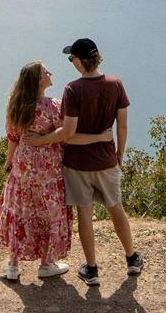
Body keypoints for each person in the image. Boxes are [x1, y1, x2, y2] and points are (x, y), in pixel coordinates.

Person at [0, 61, 110, 282]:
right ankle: (46, 264)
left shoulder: (15, 105)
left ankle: (13, 266)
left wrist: (9, 162)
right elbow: (66, 134)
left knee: (21, 210)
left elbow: (12, 137)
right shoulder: (52, 106)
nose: (50, 73)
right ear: (38, 80)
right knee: (48, 213)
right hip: (48, 168)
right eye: (45, 72)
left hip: (23, 164)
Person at [55, 37, 143, 288]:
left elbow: (68, 134)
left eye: (72, 58)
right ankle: (131, 258)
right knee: (116, 208)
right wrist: (119, 154)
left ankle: (92, 269)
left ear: (81, 62)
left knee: (85, 214)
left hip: (77, 164)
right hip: (106, 161)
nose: (71, 62)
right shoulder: (116, 84)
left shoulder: (72, 89)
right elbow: (122, 125)